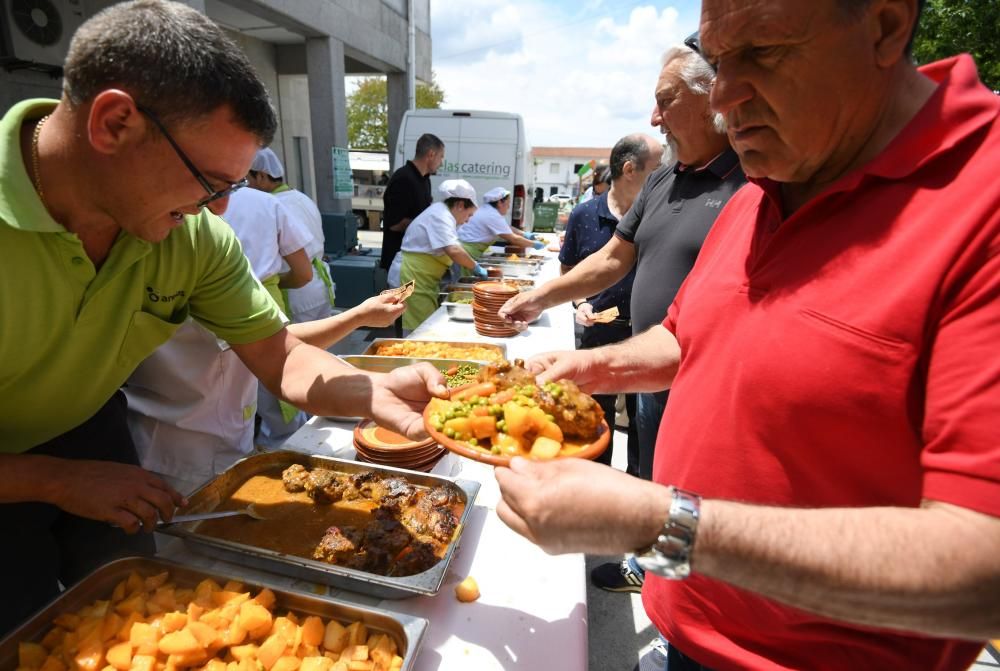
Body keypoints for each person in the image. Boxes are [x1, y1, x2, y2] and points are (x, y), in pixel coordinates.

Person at [495, 0, 1000, 668]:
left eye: (761, 54)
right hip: (687, 633)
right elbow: (686, 336)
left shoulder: (982, 199)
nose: (724, 97)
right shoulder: (766, 185)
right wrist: (589, 371)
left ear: (882, 25)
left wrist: (659, 522)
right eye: (718, 60)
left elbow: (982, 567)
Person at [0, 0, 445, 635]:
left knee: (136, 613)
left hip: (89, 431)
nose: (223, 206)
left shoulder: (194, 237)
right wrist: (55, 479)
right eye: (209, 181)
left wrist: (364, 388)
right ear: (115, 122)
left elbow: (279, 353)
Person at [500, 42, 745, 597]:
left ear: (714, 99)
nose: (654, 117)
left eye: (665, 101)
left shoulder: (751, 179)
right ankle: (656, 580)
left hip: (703, 377)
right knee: (653, 471)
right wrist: (544, 296)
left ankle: (672, 593)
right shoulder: (663, 179)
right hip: (649, 359)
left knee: (690, 490)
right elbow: (614, 256)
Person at [560, 134, 663, 469]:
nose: (665, 175)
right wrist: (580, 304)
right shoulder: (583, 214)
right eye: (657, 168)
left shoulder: (659, 216)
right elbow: (569, 270)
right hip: (597, 334)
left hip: (649, 337)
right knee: (592, 419)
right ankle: (594, 488)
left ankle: (635, 487)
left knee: (644, 424)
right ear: (630, 169)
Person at [248, 147, 336, 323]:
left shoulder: (270, 206)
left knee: (299, 346)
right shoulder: (301, 197)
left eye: (246, 179)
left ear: (261, 176)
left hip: (296, 286)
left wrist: (272, 283)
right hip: (320, 284)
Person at [388, 180, 485, 330]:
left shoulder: (443, 213)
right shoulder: (441, 215)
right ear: (460, 205)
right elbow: (453, 250)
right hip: (412, 275)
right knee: (417, 328)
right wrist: (476, 267)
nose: (467, 220)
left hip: (421, 277)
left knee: (422, 322)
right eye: (469, 214)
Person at [379, 133, 444, 270]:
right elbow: (394, 225)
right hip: (399, 263)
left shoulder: (425, 179)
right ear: (431, 154)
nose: (442, 162)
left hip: (415, 260)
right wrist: (430, 224)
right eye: (441, 156)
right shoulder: (404, 179)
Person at [457, 186, 544, 262]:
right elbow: (514, 239)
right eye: (508, 203)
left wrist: (525, 234)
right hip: (466, 252)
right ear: (499, 203)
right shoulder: (492, 215)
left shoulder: (488, 210)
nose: (509, 206)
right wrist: (534, 244)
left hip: (465, 250)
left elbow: (505, 227)